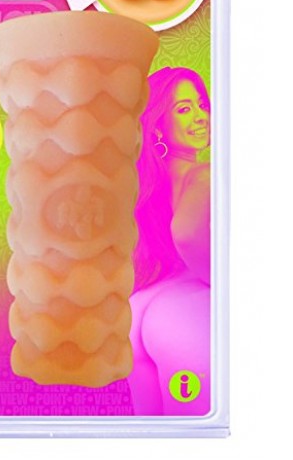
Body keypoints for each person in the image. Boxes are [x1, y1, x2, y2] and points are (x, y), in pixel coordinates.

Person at [128, 67, 211, 415]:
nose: (201, 116)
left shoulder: (143, 188)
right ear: (158, 125)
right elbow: (188, 234)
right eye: (184, 109)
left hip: (137, 314)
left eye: (202, 104)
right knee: (194, 431)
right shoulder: (204, 175)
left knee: (153, 434)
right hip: (184, 316)